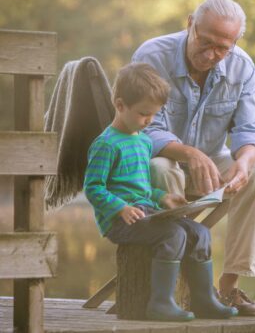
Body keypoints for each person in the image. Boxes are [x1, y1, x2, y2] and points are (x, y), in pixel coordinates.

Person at [131, 0, 255, 316]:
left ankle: (228, 288)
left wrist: (244, 163)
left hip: (211, 162)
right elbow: (144, 131)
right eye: (205, 42)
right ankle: (174, 285)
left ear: (235, 42)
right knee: (161, 167)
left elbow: (250, 132)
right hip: (159, 161)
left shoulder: (243, 66)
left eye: (222, 47)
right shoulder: (152, 56)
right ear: (190, 23)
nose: (211, 55)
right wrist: (189, 153)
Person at [83, 63, 238, 321]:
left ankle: (203, 301)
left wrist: (163, 197)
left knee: (199, 232)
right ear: (120, 105)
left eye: (154, 115)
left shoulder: (143, 141)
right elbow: (93, 188)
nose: (149, 121)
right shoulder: (106, 144)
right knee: (173, 234)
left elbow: (141, 188)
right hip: (119, 221)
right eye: (144, 114)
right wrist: (120, 207)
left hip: (146, 212)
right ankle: (160, 303)